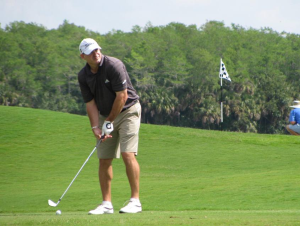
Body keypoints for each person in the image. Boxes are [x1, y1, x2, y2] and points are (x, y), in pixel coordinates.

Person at [77, 38, 142, 214]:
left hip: (128, 111)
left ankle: (135, 201)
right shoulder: (83, 76)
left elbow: (122, 96)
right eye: (91, 52)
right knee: (104, 159)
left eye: (97, 49)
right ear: (83, 56)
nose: (96, 53)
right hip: (107, 116)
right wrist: (95, 127)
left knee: (128, 153)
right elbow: (90, 103)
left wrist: (109, 122)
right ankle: (106, 204)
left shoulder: (114, 65)